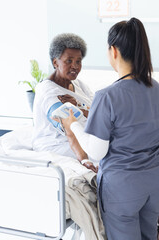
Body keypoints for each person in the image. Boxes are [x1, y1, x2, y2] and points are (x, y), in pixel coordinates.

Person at [61, 18, 159, 240]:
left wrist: (73, 125)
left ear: (113, 51)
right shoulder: (156, 89)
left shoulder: (108, 96)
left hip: (123, 190)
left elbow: (96, 152)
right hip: (153, 184)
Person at [32, 33, 97, 172]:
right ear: (55, 62)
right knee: (103, 153)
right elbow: (69, 127)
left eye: (78, 61)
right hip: (57, 144)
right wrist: (84, 159)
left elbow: (99, 112)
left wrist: (80, 107)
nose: (75, 66)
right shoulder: (48, 90)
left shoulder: (79, 85)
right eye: (69, 61)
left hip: (82, 137)